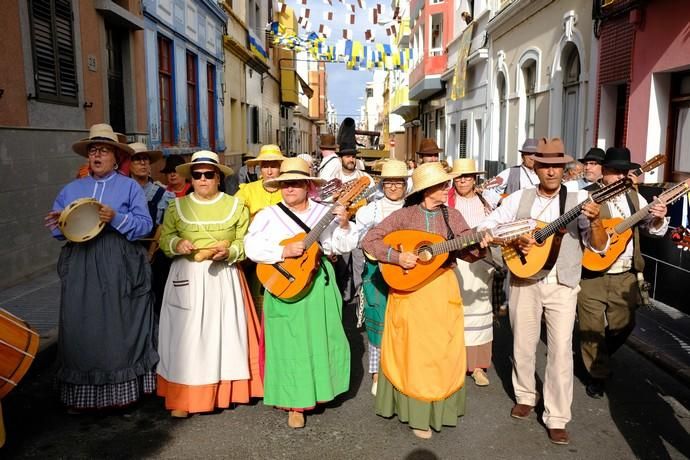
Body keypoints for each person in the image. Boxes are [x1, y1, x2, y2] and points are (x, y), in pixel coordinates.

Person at [479, 138, 609, 446]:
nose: (551, 172)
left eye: (557, 166)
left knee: (561, 351)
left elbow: (600, 246)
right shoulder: (517, 198)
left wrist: (599, 219)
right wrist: (513, 238)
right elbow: (487, 228)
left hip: (562, 283)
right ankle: (525, 394)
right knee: (523, 343)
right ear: (535, 167)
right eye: (545, 165)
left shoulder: (580, 199)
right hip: (524, 278)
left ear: (564, 170)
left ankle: (557, 416)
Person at [361, 162, 491, 440]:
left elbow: (466, 251)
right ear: (426, 190)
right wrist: (397, 257)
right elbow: (370, 240)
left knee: (442, 351)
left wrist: (481, 246)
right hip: (409, 294)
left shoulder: (452, 216)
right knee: (414, 352)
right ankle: (417, 413)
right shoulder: (405, 216)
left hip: (443, 290)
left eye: (447, 184)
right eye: (443, 185)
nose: (448, 189)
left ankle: (439, 408)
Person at [44, 123, 158, 411]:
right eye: (93, 150)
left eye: (104, 150)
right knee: (81, 322)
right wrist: (58, 225)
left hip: (118, 260)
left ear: (116, 157)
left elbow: (145, 225)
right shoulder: (72, 188)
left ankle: (120, 394)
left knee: (118, 323)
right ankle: (80, 395)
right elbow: (61, 230)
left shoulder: (129, 186)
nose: (97, 155)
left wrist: (116, 217)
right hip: (81, 260)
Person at [244, 158, 359, 429]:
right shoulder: (268, 215)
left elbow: (340, 246)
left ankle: (319, 391)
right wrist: (282, 251)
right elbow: (251, 246)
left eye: (295, 183)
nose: (289, 189)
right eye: (285, 184)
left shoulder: (323, 212)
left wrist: (343, 224)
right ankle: (294, 402)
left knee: (321, 339)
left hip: (318, 283)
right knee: (289, 344)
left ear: (308, 185)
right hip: (283, 285)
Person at [156, 150, 262, 418]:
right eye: (197, 174)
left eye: (208, 174)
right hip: (187, 275)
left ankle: (226, 391)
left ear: (218, 178)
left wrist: (230, 253)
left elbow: (244, 242)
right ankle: (184, 396)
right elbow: (164, 239)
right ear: (191, 178)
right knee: (186, 337)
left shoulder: (235, 206)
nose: (202, 179)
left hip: (223, 276)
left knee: (224, 333)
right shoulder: (176, 206)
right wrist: (177, 244)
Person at [578, 147, 668, 399]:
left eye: (622, 172)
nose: (618, 177)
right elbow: (587, 234)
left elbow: (651, 228)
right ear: (603, 172)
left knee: (624, 326)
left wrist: (659, 217)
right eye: (613, 171)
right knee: (590, 328)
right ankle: (597, 375)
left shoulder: (635, 199)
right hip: (592, 273)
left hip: (625, 274)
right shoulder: (586, 197)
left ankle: (598, 355)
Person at [354, 160, 407, 396]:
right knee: (378, 318)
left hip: (407, 271)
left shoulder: (413, 209)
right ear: (382, 185)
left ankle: (401, 370)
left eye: (398, 182)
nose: (394, 187)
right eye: (389, 183)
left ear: (405, 185)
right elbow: (357, 239)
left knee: (404, 321)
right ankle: (377, 373)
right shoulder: (370, 210)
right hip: (376, 270)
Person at [447, 159, 496, 387]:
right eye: (459, 176)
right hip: (455, 262)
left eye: (467, 176)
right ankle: (454, 363)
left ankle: (477, 366)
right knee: (454, 310)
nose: (463, 180)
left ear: (475, 178)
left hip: (480, 264)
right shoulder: (446, 201)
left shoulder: (488, 202)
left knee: (481, 309)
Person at [129, 142, 176, 318]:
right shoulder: (123, 191)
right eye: (137, 159)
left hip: (155, 256)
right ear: (129, 164)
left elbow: (165, 226)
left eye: (146, 160)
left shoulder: (163, 194)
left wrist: (150, 254)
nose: (143, 163)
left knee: (156, 299)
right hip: (128, 254)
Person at [483, 138, 540, 208]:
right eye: (528, 154)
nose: (532, 157)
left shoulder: (543, 174)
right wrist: (504, 200)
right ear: (522, 156)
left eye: (535, 154)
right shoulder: (510, 172)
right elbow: (487, 190)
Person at [235, 144, 286, 220]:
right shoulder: (247, 190)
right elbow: (234, 213)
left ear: (280, 168)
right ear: (260, 169)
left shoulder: (289, 190)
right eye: (265, 167)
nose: (269, 172)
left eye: (273, 166)